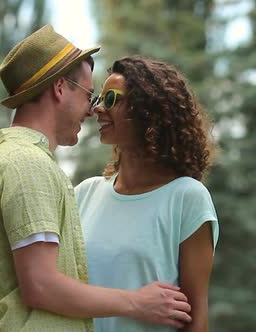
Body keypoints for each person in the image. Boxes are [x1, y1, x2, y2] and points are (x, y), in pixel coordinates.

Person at [0, 25, 192, 332]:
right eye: (89, 95)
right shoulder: (28, 164)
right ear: (59, 87)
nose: (92, 110)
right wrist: (138, 302)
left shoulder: (1, 162)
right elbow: (40, 285)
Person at [74, 55, 219, 332]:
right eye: (98, 100)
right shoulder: (84, 194)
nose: (98, 110)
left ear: (148, 111)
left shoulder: (187, 198)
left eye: (112, 99)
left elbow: (195, 316)